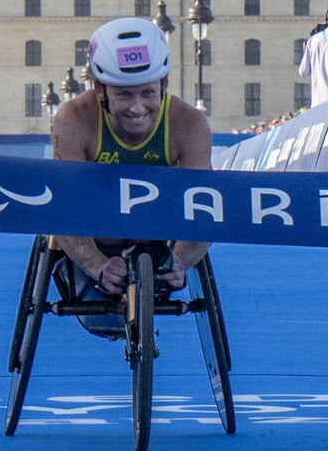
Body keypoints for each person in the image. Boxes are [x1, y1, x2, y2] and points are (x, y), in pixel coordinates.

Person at [51, 17, 212, 334]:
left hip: (155, 245)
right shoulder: (73, 118)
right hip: (92, 241)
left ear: (164, 84)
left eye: (148, 94)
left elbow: (204, 210)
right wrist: (96, 265)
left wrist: (181, 261)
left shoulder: (189, 123)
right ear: (100, 89)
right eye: (124, 95)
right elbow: (62, 208)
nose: (138, 108)